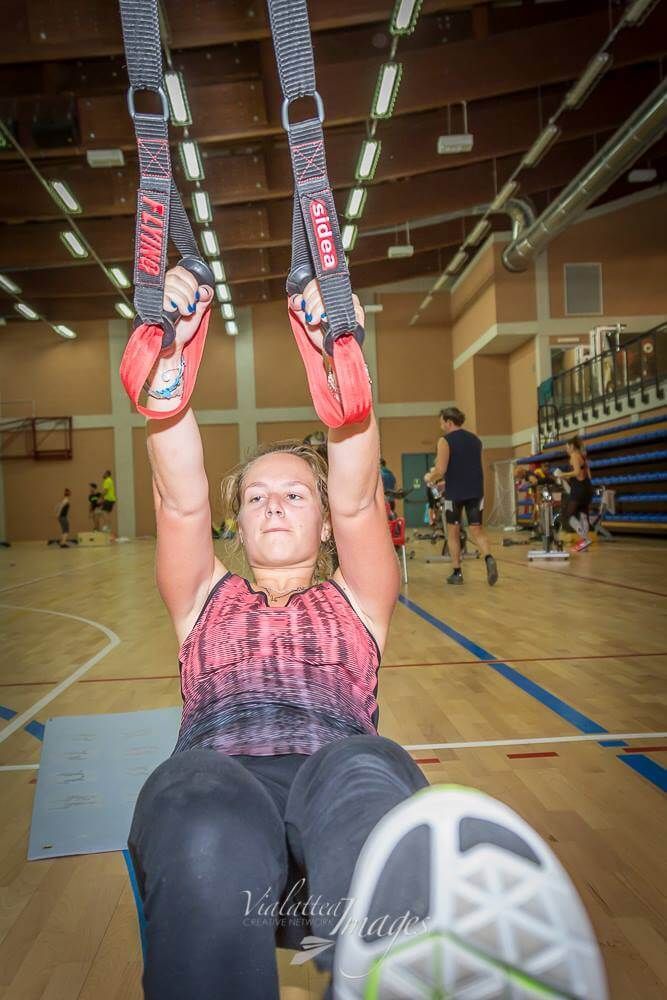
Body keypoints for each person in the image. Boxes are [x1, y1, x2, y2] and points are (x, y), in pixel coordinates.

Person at [127, 267, 606, 1000]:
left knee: (362, 767)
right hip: (223, 780)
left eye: (293, 494)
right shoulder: (201, 598)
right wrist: (168, 368)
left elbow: (357, 499)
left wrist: (337, 353)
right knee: (195, 794)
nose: (273, 506)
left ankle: (404, 964)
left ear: (321, 522)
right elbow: (181, 502)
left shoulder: (358, 597)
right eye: (255, 497)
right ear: (239, 520)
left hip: (332, 781)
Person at [431, 406, 498, 586]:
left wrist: (430, 477)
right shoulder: (475, 440)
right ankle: (489, 558)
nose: (441, 426)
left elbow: (441, 469)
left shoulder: (444, 441)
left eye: (442, 423)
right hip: (476, 491)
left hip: (455, 494)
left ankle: (457, 573)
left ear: (449, 422)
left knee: (453, 532)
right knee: (477, 529)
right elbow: (465, 468)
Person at [556, 434, 594, 539]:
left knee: (568, 515)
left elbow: (576, 472)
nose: (566, 450)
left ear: (572, 446)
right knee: (583, 514)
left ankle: (583, 536)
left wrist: (562, 474)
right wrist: (566, 478)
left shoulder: (574, 455)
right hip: (587, 487)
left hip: (579, 490)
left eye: (567, 447)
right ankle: (585, 539)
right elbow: (585, 475)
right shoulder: (582, 455)